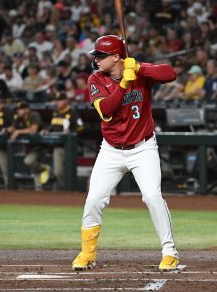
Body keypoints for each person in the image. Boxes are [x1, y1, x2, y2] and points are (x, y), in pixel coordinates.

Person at [72, 35, 180, 271]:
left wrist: (140, 67)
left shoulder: (138, 71)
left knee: (152, 197)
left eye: (101, 56)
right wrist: (123, 84)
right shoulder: (96, 78)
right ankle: (87, 253)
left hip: (143, 147)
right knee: (93, 199)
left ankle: (170, 252)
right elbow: (106, 111)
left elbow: (170, 74)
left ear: (116, 57)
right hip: (111, 150)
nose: (96, 60)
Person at [41, 92, 84, 190]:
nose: (57, 102)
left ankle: (69, 190)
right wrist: (47, 130)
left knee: (69, 170)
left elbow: (81, 128)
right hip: (58, 146)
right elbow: (53, 126)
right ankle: (61, 190)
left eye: (60, 100)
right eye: (57, 100)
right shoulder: (56, 112)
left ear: (66, 101)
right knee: (58, 171)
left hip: (69, 146)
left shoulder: (73, 113)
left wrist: (70, 131)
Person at [6, 101, 45, 191]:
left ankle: (43, 167)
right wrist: (7, 130)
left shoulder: (34, 115)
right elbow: (13, 128)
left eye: (21, 109)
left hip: (41, 145)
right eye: (18, 109)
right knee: (35, 171)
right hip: (31, 147)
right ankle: (39, 190)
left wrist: (18, 131)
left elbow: (33, 130)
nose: (18, 111)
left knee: (28, 161)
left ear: (27, 109)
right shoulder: (19, 118)